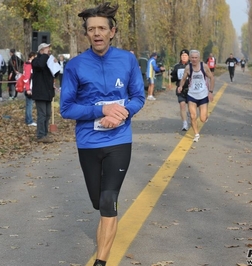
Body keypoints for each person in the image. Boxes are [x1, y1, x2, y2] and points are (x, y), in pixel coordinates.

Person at [59, 3, 145, 266]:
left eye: (101, 29)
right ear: (86, 33)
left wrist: (121, 112)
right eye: (91, 29)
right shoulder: (75, 66)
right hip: (88, 142)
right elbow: (66, 108)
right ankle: (104, 238)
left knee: (109, 201)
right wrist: (101, 109)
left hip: (119, 141)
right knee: (98, 203)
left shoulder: (127, 60)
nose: (96, 33)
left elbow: (138, 97)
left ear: (112, 32)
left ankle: (101, 262)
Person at [177, 50, 215, 142]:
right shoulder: (188, 68)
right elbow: (183, 79)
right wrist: (181, 86)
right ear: (190, 58)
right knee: (193, 116)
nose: (194, 59)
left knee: (202, 119)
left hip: (203, 95)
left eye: (196, 58)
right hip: (192, 95)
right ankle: (196, 134)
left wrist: (210, 91)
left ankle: (205, 116)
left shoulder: (204, 66)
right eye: (192, 58)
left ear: (199, 58)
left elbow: (212, 78)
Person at [31, 43, 57, 143]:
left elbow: (55, 73)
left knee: (47, 114)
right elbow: (40, 65)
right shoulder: (36, 61)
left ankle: (45, 134)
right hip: (40, 93)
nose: (48, 50)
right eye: (46, 48)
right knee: (42, 114)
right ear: (41, 50)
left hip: (48, 92)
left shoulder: (48, 61)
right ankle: (40, 135)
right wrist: (45, 56)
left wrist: (55, 63)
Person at [171, 49, 190, 131]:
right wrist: (172, 76)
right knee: (182, 105)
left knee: (191, 107)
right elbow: (173, 78)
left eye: (185, 56)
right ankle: (185, 123)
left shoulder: (192, 65)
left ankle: (191, 117)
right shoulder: (177, 66)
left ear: (188, 57)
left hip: (191, 90)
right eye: (182, 56)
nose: (184, 57)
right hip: (180, 89)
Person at [23, 51, 37, 127]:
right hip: (29, 88)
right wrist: (28, 88)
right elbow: (27, 78)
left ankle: (28, 119)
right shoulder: (28, 66)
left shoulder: (28, 65)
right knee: (29, 105)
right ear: (32, 57)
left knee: (29, 104)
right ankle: (29, 120)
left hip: (30, 87)